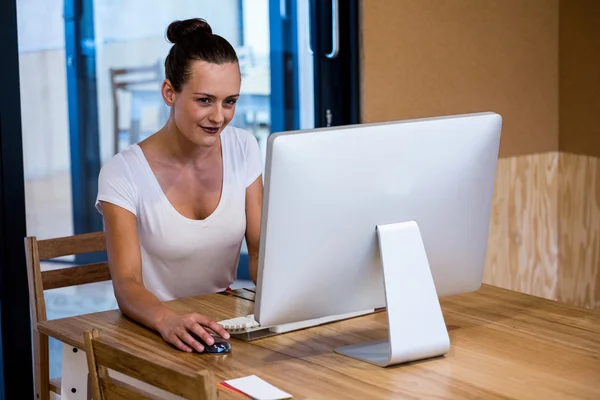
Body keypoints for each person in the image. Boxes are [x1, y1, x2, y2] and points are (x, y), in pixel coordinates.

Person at [95, 18, 263, 353]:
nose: (219, 117)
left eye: (229, 101)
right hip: (152, 329)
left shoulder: (243, 147)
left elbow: (259, 251)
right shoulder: (123, 172)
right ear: (169, 92)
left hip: (220, 327)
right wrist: (166, 319)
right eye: (204, 100)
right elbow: (127, 284)